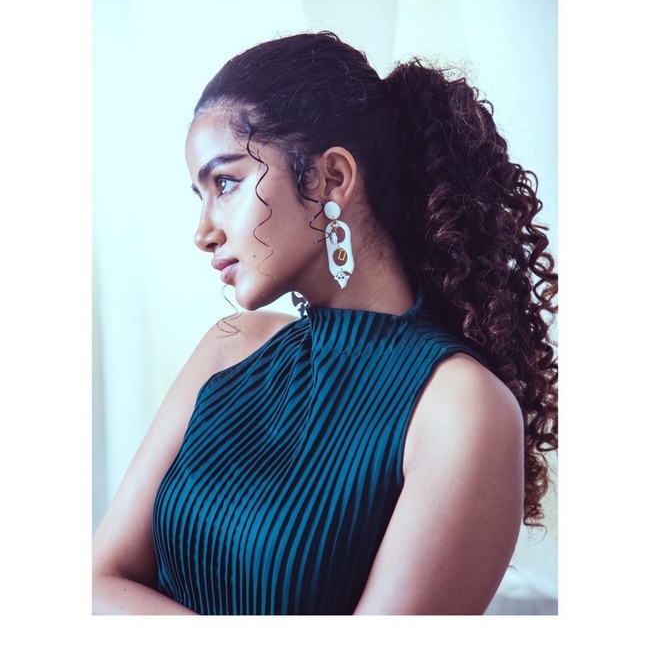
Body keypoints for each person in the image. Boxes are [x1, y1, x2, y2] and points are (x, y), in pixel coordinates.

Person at [92, 31, 557, 615]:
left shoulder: (461, 408)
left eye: (226, 183)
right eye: (200, 194)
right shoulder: (230, 349)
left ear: (331, 178)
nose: (204, 232)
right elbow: (96, 584)